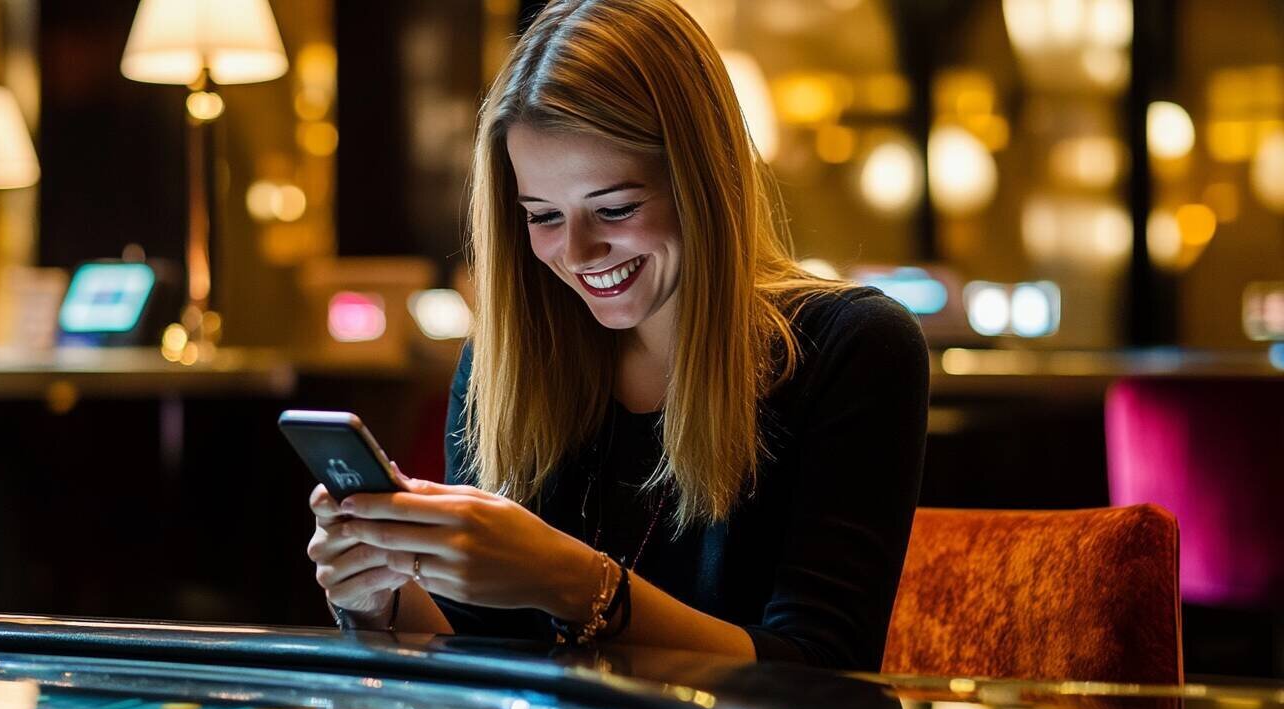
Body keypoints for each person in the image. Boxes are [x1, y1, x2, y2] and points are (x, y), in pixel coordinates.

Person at [304, 0, 929, 670]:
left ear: (702, 180)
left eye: (615, 208)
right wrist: (378, 595)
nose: (576, 251)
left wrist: (571, 581)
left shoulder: (854, 349)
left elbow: (822, 673)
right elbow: (478, 652)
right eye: (542, 215)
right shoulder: (502, 366)